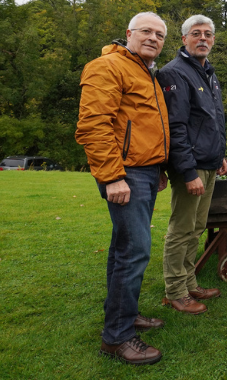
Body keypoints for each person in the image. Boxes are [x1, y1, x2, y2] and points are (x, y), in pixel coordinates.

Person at [75, 12, 169, 365]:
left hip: (143, 171)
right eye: (146, 31)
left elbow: (146, 127)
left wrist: (157, 169)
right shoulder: (108, 66)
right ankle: (117, 337)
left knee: (124, 249)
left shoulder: (146, 73)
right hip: (124, 173)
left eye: (159, 35)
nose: (153, 38)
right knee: (135, 251)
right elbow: (93, 126)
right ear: (128, 33)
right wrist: (113, 176)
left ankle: (124, 316)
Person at [157, 15, 227, 315]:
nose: (203, 39)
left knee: (197, 227)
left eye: (208, 34)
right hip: (191, 166)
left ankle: (189, 283)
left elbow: (209, 122)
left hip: (208, 163)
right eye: (196, 34)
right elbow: (176, 127)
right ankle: (175, 291)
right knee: (182, 228)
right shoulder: (175, 73)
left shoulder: (207, 73)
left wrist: (218, 155)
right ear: (184, 39)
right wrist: (187, 171)